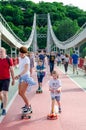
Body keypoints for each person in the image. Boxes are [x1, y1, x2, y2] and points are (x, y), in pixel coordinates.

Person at [15, 46, 36, 113]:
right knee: (20, 93)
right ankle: (27, 104)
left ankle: (28, 106)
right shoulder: (19, 58)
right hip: (21, 77)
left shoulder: (27, 59)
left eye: (22, 54)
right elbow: (20, 66)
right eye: (20, 53)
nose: (20, 55)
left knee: (22, 92)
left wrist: (19, 75)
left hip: (25, 77)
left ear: (25, 53)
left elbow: (26, 69)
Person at [0, 47, 15, 115]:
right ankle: (3, 101)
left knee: (5, 93)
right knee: (0, 94)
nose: (0, 53)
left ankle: (4, 109)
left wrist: (13, 79)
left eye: (1, 52)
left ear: (4, 52)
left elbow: (11, 70)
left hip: (6, 79)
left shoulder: (8, 59)